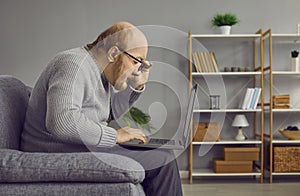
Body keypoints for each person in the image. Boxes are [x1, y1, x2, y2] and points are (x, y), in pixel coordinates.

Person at [21, 21, 183, 196]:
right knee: (162, 162)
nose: (138, 69)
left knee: (161, 153)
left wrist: (135, 86)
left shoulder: (99, 73)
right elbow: (62, 122)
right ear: (113, 53)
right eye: (137, 61)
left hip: (79, 146)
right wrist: (115, 136)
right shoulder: (73, 65)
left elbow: (111, 113)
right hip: (55, 151)